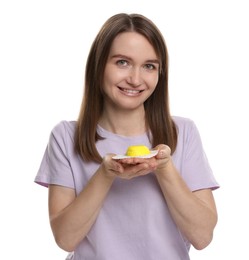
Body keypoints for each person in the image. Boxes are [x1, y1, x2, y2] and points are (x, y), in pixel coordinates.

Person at [35, 13, 220, 260]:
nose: (135, 79)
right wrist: (106, 173)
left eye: (149, 66)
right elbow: (66, 239)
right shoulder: (66, 137)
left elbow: (202, 236)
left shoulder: (182, 133)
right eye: (122, 62)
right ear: (99, 65)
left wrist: (164, 169)